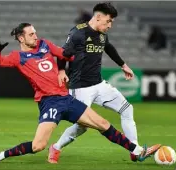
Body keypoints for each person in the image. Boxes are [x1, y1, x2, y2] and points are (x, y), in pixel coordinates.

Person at [0, 23, 161, 164]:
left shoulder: (44, 44)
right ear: (21, 38)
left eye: (35, 32)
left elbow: (64, 54)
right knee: (38, 146)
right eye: (31, 34)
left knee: (103, 123)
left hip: (66, 98)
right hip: (49, 102)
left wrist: (67, 63)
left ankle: (138, 152)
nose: (36, 36)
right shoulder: (17, 57)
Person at [48, 2, 142, 163]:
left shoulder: (102, 34)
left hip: (99, 84)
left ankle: (135, 149)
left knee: (127, 109)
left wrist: (123, 65)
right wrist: (61, 71)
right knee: (83, 126)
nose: (110, 25)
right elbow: (63, 53)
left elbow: (109, 47)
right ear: (98, 17)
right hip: (80, 87)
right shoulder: (78, 33)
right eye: (109, 21)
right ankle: (56, 147)